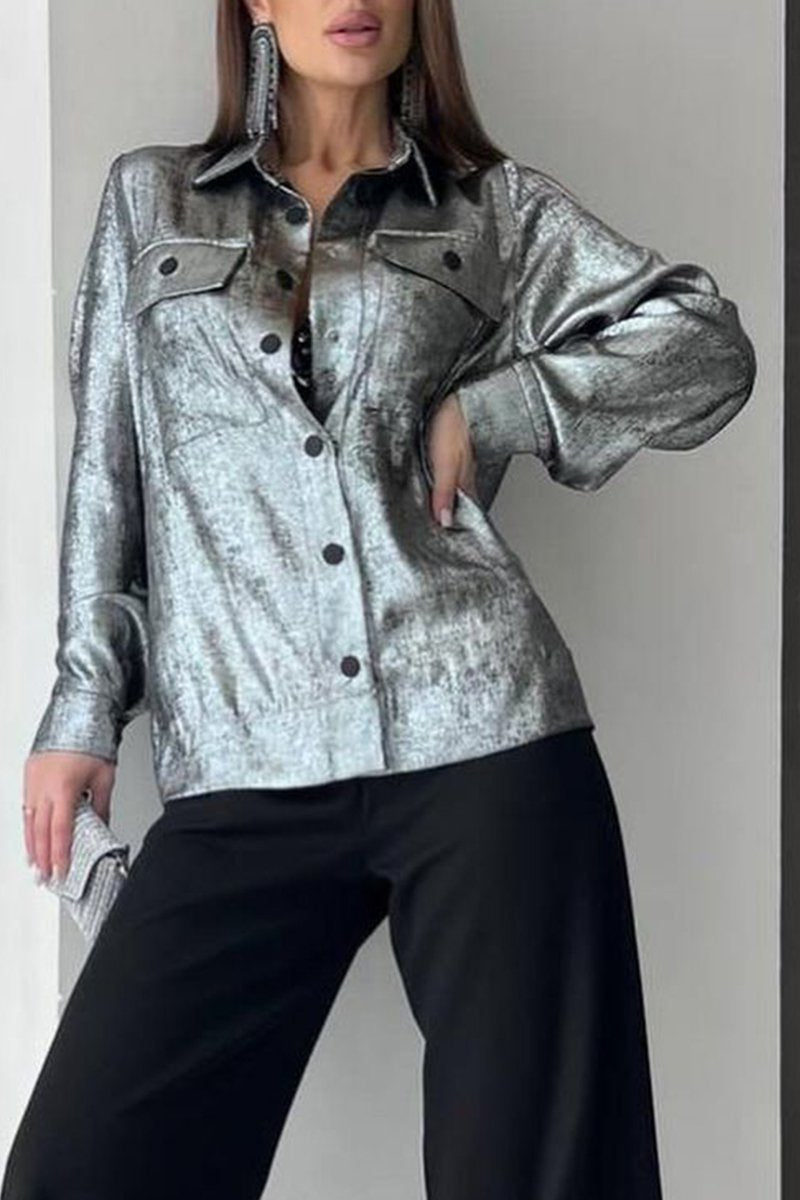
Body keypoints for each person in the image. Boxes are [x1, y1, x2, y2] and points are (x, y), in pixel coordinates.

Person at [3, 1, 757, 1198]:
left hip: (485, 736)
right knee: (83, 1169)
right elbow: (111, 474)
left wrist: (501, 407)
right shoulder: (153, 201)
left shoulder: (492, 213)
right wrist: (84, 705)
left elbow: (705, 347)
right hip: (243, 753)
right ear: (256, 2)